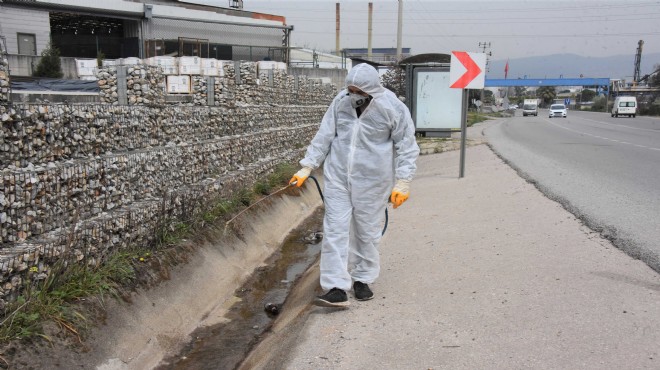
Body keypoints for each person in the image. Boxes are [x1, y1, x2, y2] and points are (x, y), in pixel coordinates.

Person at [289, 63, 420, 307]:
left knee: (366, 231)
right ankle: (336, 287)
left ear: (371, 89)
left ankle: (362, 279)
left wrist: (403, 182)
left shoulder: (392, 108)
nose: (353, 94)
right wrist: (307, 166)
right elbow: (324, 135)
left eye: (357, 90)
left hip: (373, 180)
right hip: (338, 176)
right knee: (335, 229)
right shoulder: (341, 102)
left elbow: (406, 146)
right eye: (349, 89)